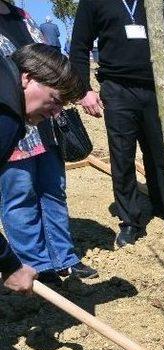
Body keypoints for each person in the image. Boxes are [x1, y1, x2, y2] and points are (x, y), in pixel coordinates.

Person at [0, 43, 82, 350]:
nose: (57, 111)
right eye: (54, 99)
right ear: (28, 78)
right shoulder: (4, 117)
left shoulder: (8, 97)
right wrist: (8, 263)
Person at [70, 0, 164, 247]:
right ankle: (130, 222)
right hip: (117, 89)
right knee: (122, 157)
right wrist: (84, 90)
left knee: (162, 154)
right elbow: (79, 46)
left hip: (155, 88)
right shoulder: (93, 2)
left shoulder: (154, 3)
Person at [0, 0, 97, 285]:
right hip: (16, 116)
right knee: (21, 195)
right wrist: (8, 264)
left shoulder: (23, 17)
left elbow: (51, 64)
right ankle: (34, 266)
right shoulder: (5, 119)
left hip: (40, 121)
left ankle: (61, 258)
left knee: (53, 190)